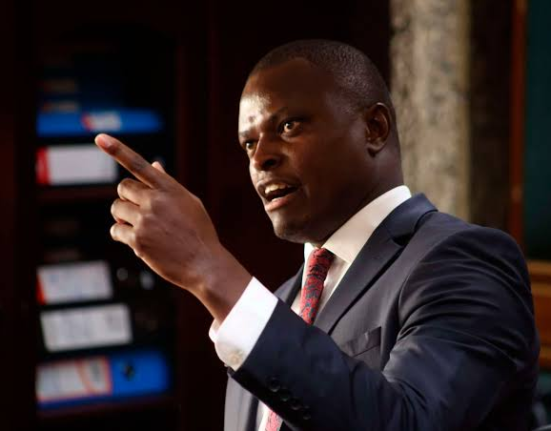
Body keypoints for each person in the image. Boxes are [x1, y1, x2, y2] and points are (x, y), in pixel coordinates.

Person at [95, 39, 539, 431]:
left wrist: (210, 271)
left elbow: (407, 421)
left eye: (288, 126)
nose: (261, 158)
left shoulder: (464, 261)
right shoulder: (274, 306)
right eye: (249, 144)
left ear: (374, 129)